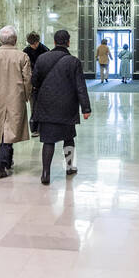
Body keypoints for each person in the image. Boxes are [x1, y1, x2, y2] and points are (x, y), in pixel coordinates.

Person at [31, 29, 91, 185]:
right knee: (69, 137)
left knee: (48, 141)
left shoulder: (42, 59)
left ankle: (45, 173)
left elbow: (34, 82)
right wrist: (86, 108)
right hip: (67, 107)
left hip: (46, 105)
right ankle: (70, 167)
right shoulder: (73, 61)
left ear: (55, 42)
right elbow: (80, 87)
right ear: (68, 42)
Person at [0, 26, 32, 179]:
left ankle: (7, 160)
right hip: (16, 97)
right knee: (10, 129)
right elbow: (27, 79)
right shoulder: (22, 57)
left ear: (1, 40)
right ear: (15, 39)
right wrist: (27, 95)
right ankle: (1, 163)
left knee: (3, 128)